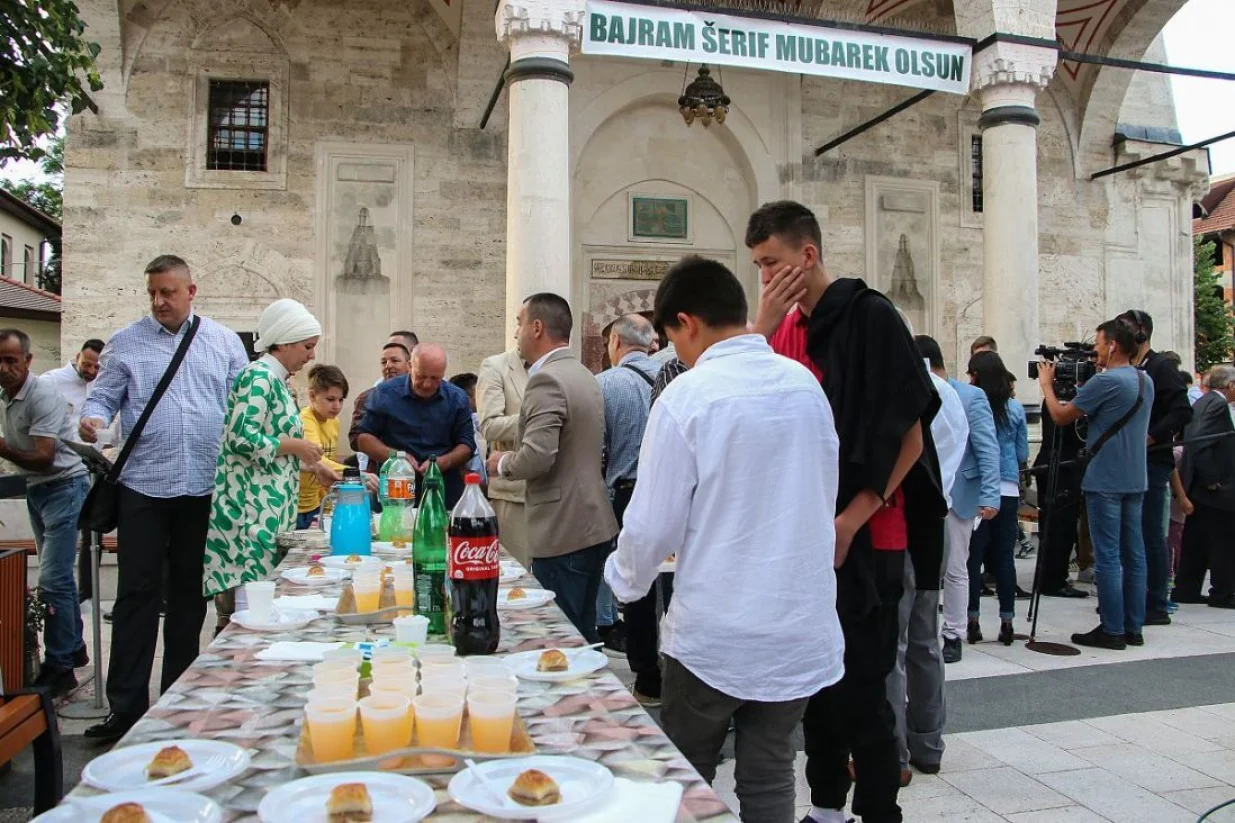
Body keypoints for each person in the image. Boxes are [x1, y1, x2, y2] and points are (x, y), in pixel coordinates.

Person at [605, 257, 843, 823]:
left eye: (673, 340)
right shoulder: (804, 385)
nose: (677, 353)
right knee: (770, 774)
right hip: (796, 624)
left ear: (687, 323)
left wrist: (624, 583)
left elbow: (651, 524)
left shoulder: (688, 396)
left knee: (686, 776)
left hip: (717, 632)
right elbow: (821, 489)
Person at [749, 200, 946, 823]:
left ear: (808, 255)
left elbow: (909, 438)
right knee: (816, 685)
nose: (765, 277)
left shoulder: (871, 316)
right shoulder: (783, 330)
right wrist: (762, 324)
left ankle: (881, 811)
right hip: (807, 532)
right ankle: (827, 807)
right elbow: (739, 400)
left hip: (869, 529)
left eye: (772, 263)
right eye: (758, 267)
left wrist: (850, 520)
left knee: (863, 687)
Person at [79, 254, 249, 741]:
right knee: (136, 595)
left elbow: (241, 405)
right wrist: (93, 418)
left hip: (203, 487)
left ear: (191, 292)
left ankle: (178, 704)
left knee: (189, 597)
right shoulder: (126, 341)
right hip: (143, 487)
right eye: (152, 293)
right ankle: (126, 709)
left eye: (168, 292)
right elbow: (102, 397)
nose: (158, 302)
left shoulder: (224, 343)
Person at [485, 293, 618, 643]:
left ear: (537, 327)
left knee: (563, 638)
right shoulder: (582, 373)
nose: (516, 332)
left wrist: (502, 463)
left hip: (563, 529)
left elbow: (538, 456)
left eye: (519, 323)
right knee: (584, 633)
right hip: (592, 521)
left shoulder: (547, 380)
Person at [205, 299, 326, 629]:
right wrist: (297, 446)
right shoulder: (258, 377)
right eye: (307, 346)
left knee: (263, 605)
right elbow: (241, 437)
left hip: (267, 513)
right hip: (249, 515)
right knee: (251, 613)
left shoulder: (278, 381)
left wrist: (314, 465)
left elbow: (274, 450)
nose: (311, 355)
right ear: (284, 342)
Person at [1038, 319, 1153, 650]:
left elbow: (1061, 416)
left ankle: (1112, 628)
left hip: (1105, 478)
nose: (1095, 351)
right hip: (1135, 477)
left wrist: (1047, 386)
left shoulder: (1107, 381)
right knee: (1134, 554)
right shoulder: (1144, 380)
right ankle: (1133, 626)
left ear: (1113, 345)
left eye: (1099, 344)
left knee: (1108, 555)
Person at [885, 337, 966, 781]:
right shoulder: (947, 393)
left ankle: (893, 751)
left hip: (903, 521)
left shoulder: (901, 392)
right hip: (937, 518)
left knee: (894, 644)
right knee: (924, 640)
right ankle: (929, 744)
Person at [0, 329, 90, 697]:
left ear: (27, 361)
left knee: (52, 579)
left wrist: (2, 448)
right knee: (59, 578)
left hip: (64, 486)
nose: (4, 368)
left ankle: (60, 666)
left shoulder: (42, 394)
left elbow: (44, 457)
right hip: (37, 489)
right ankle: (74, 648)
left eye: (11, 360)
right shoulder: (6, 396)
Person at [915, 337, 1000, 664]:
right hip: (927, 489)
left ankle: (953, 633)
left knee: (955, 567)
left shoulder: (970, 396)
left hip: (959, 491)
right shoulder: (915, 389)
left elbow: (987, 447)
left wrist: (990, 494)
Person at [1116, 310, 1191, 627]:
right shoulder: (1131, 368)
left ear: (1141, 332)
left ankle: (1156, 602)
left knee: (1150, 533)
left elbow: (1182, 411)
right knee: (1131, 533)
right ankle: (1134, 596)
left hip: (1152, 460)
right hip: (1130, 460)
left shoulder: (1160, 367)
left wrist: (1152, 435)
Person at [595, 314, 661, 659]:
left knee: (634, 582)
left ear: (616, 342)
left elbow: (597, 447)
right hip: (668, 491)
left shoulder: (604, 384)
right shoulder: (674, 376)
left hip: (625, 493)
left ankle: (645, 669)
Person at [354, 343, 475, 508]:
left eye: (435, 378)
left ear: (443, 373)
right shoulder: (385, 394)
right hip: (395, 487)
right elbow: (363, 438)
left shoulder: (457, 398)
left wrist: (444, 462)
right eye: (421, 376)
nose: (427, 384)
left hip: (443, 489)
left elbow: (467, 444)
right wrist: (396, 457)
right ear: (410, 366)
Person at [965, 351, 1029, 646]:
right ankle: (1007, 621)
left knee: (973, 558)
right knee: (1005, 557)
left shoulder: (974, 406)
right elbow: (1022, 453)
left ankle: (972, 620)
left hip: (979, 488)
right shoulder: (1015, 409)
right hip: (1009, 488)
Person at [1174, 365, 1235, 608]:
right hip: (1213, 487)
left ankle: (1186, 589)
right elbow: (1200, 441)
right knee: (1224, 541)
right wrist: (1211, 479)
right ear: (1230, 385)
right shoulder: (1217, 404)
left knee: (1196, 540)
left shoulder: (1203, 401)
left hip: (1197, 485)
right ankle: (1223, 593)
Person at [477, 348, 530, 565]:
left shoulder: (561, 366)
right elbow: (489, 426)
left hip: (559, 496)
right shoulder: (496, 366)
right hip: (514, 494)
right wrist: (540, 417)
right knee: (516, 574)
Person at [298, 365, 350, 529]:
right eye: (331, 399)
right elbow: (317, 459)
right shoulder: (306, 419)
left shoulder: (334, 421)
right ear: (312, 396)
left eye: (341, 400)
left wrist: (326, 507)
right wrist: (353, 473)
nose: (337, 406)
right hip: (296, 504)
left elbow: (328, 467)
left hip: (315, 502)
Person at [348, 341, 411, 468]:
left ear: (409, 365)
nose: (388, 365)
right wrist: (394, 455)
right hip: (383, 470)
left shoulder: (422, 394)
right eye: (384, 362)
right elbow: (355, 439)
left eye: (395, 361)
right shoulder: (367, 398)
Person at [448, 372, 487, 484]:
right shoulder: (455, 429)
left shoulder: (480, 422)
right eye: (480, 395)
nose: (486, 399)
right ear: (465, 398)